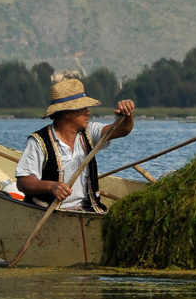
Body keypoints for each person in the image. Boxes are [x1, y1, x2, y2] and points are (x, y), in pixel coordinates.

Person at [15, 78, 136, 212]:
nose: (88, 112)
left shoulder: (89, 132)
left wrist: (127, 114)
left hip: (88, 209)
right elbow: (23, 182)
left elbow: (121, 130)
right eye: (83, 108)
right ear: (67, 112)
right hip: (51, 211)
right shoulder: (39, 141)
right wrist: (51, 186)